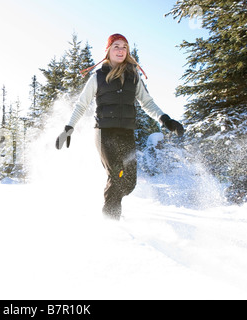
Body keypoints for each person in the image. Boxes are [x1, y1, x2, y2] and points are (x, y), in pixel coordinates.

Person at [56, 33, 184, 220]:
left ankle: (111, 204)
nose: (121, 50)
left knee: (129, 182)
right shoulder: (98, 77)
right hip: (104, 133)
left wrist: (166, 120)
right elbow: (81, 104)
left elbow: (147, 103)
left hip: (126, 133)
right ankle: (111, 221)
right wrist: (68, 128)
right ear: (108, 50)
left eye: (124, 47)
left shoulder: (133, 76)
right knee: (116, 174)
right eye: (116, 46)